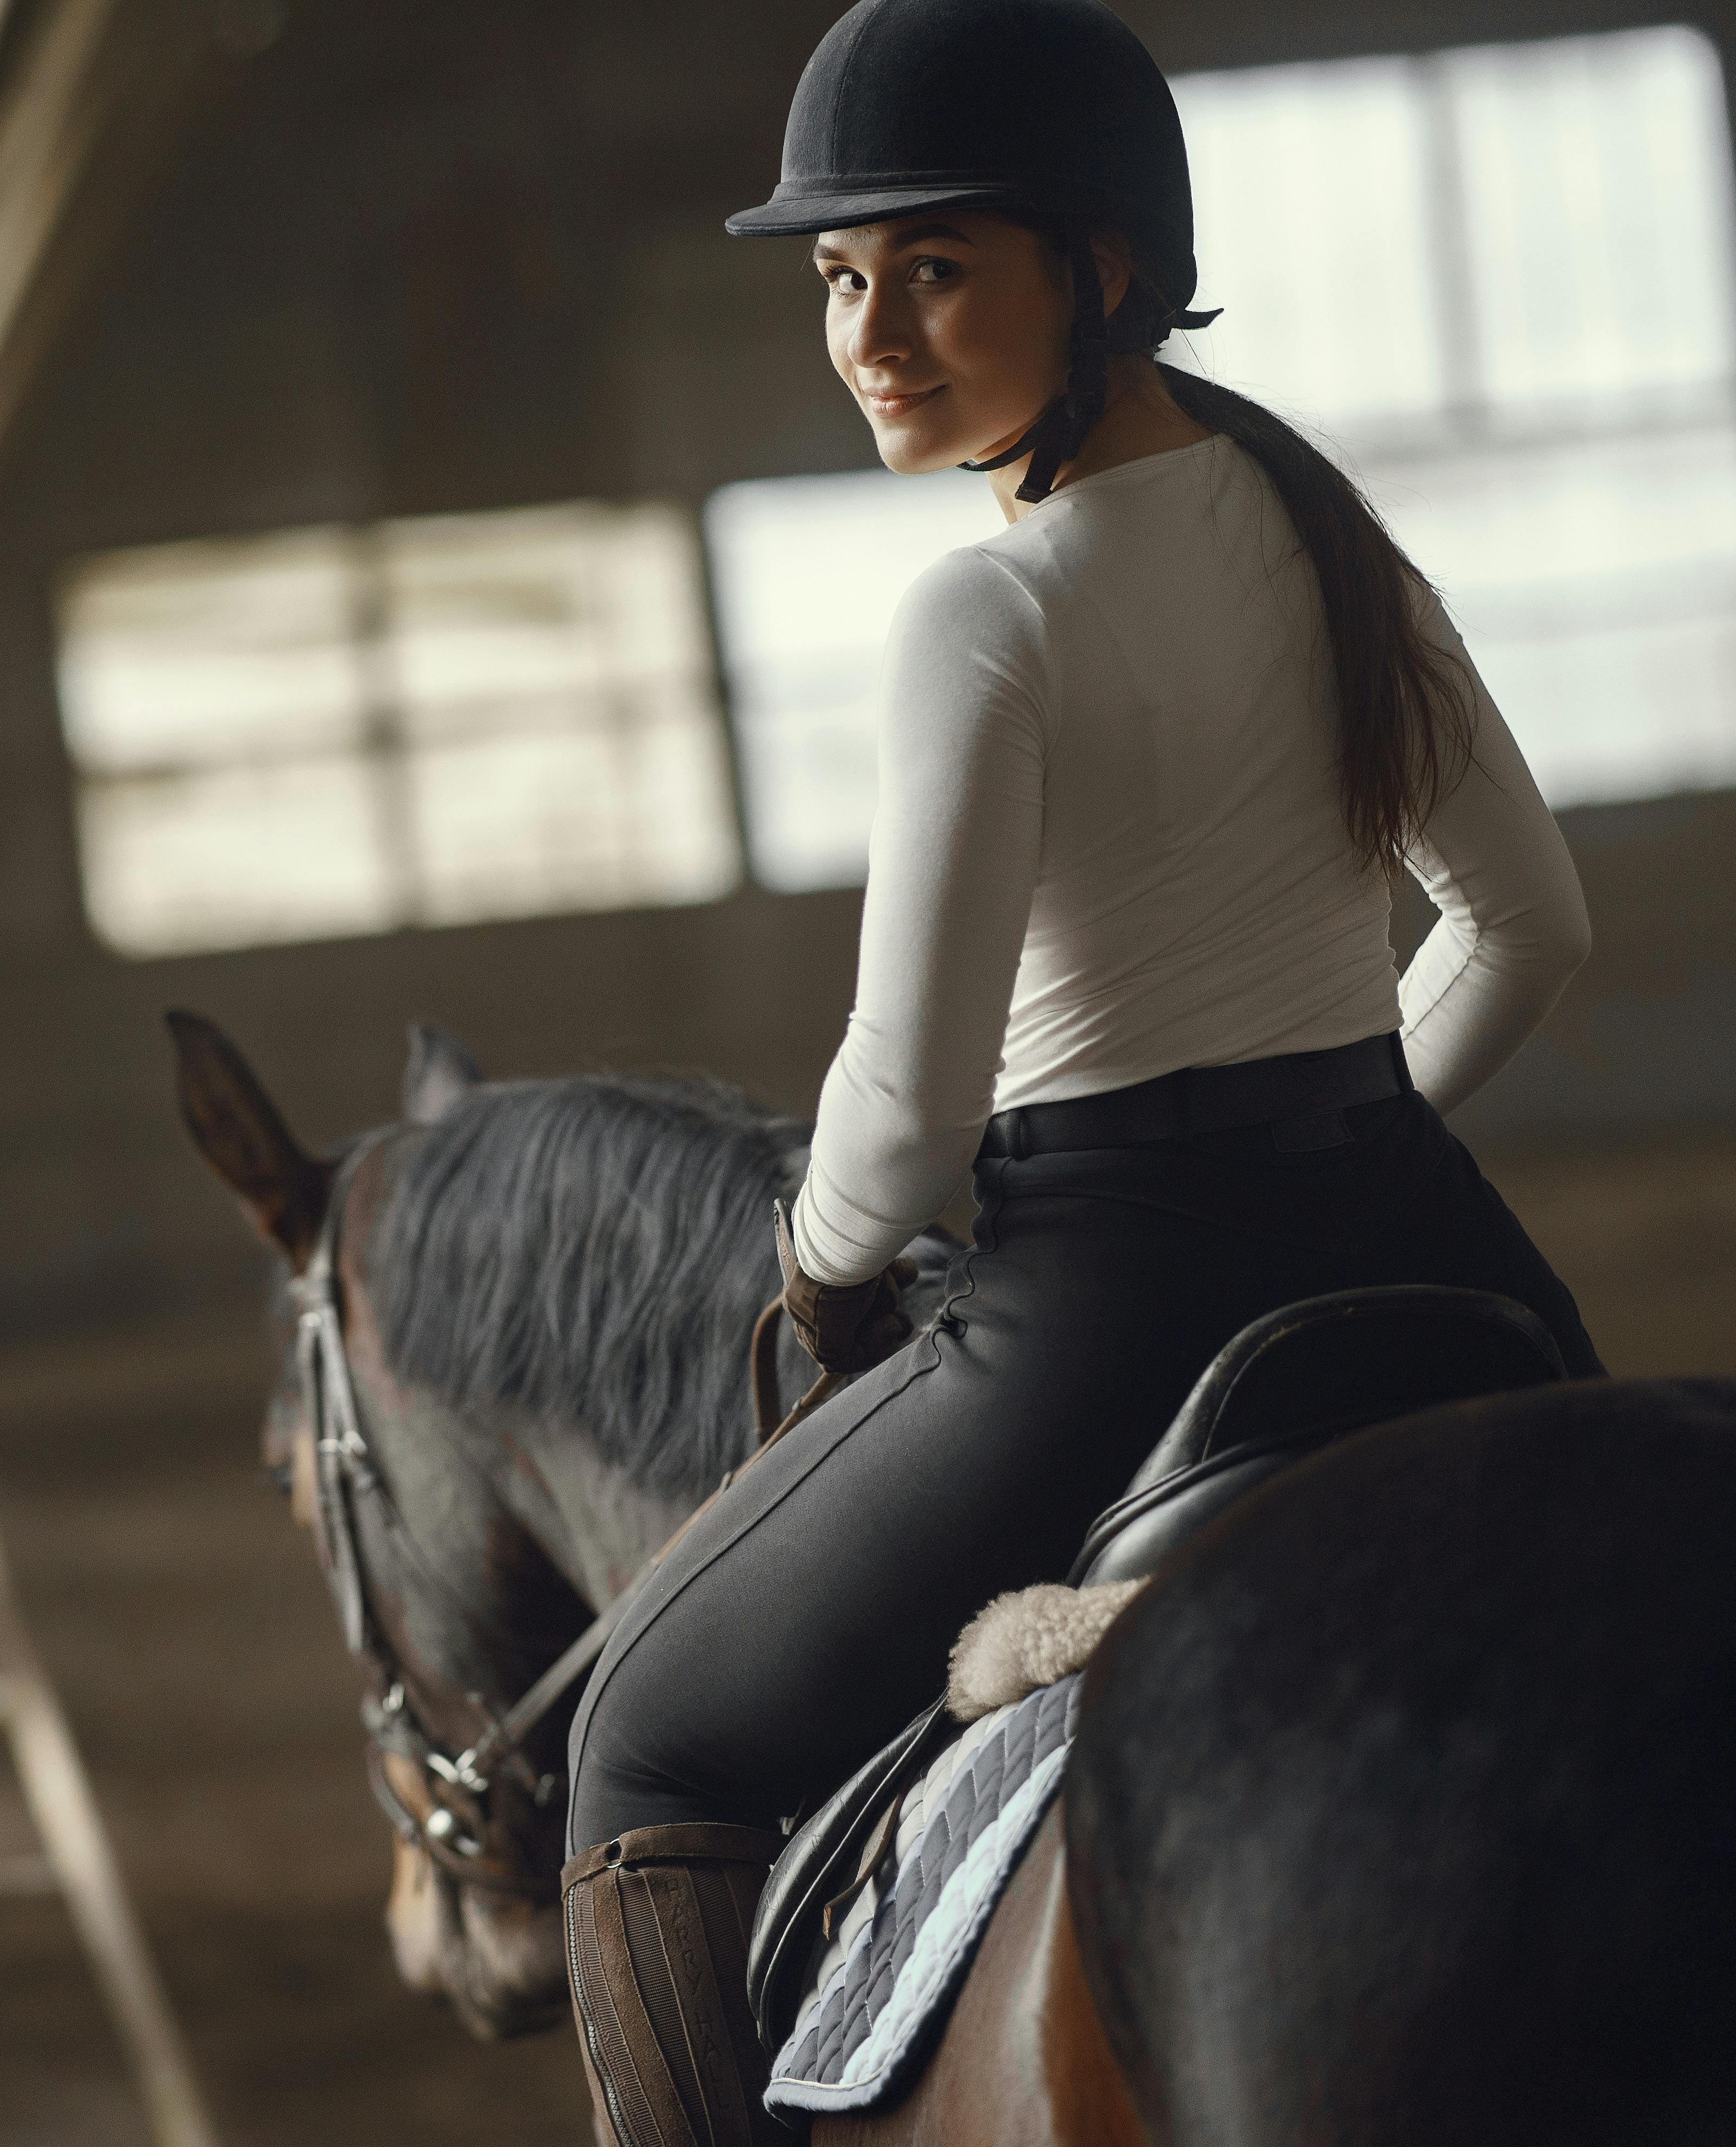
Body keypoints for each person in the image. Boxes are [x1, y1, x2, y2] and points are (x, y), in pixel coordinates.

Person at [556, 2, 1607, 2140]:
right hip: (1430, 1240)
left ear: (1105, 270)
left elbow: (909, 1109)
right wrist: (1356, 1132)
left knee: (640, 1751)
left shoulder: (988, 611)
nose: (869, 334)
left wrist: (822, 1257)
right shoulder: (1324, 536)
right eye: (840, 280)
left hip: (1101, 1305)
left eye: (934, 267)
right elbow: (1531, 927)